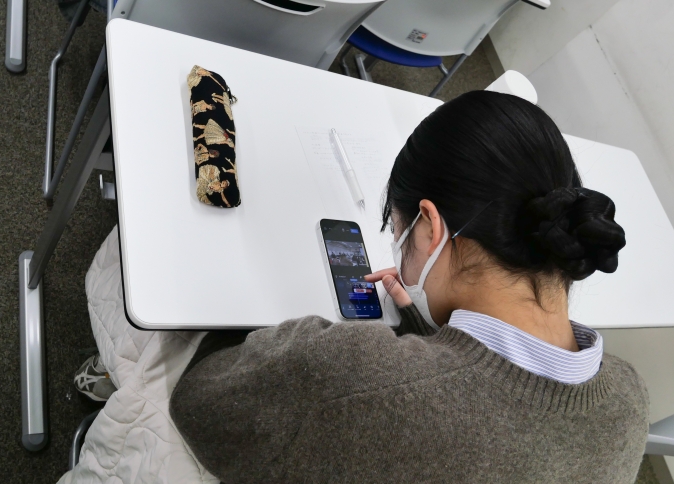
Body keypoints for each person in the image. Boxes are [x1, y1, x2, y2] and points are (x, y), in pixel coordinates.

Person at [169, 91, 649, 483]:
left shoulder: (354, 375)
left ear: (430, 228)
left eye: (398, 233)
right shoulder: (630, 401)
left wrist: (296, 345)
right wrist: (427, 331)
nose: (400, 255)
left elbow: (201, 404)